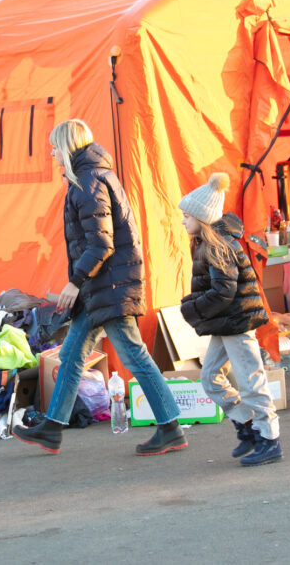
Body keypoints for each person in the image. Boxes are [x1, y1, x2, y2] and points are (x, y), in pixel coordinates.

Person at [13, 119, 186, 456]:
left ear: (67, 146)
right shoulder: (92, 176)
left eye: (54, 147)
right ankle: (52, 428)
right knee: (71, 356)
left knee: (134, 356)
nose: (51, 153)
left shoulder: (87, 182)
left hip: (108, 288)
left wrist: (74, 282)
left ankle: (170, 428)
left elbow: (101, 243)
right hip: (104, 287)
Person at [178, 172, 282, 467]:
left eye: (187, 215)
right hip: (225, 324)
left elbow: (225, 291)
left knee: (251, 382)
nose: (183, 220)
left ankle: (269, 439)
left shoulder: (219, 246)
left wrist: (191, 308)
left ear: (202, 217)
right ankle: (247, 425)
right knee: (210, 378)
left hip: (236, 323)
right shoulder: (206, 243)